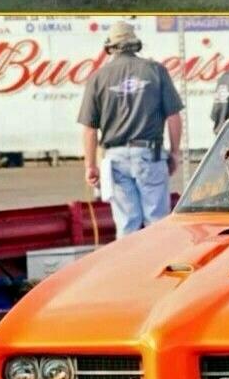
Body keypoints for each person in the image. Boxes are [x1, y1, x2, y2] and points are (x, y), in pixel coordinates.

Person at [78, 21, 184, 238]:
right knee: (157, 223)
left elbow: (89, 129)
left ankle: (129, 261)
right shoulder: (155, 71)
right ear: (135, 44)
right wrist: (174, 153)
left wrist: (90, 166)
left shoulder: (98, 77)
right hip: (150, 154)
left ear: (110, 47)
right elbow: (174, 117)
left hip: (115, 158)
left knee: (127, 225)